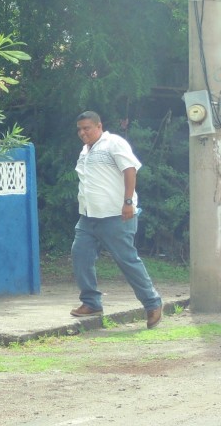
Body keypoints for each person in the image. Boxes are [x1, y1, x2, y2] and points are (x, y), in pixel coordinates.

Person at [70, 111, 163, 329]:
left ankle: (152, 303)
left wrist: (128, 202)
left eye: (87, 128)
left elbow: (130, 169)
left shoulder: (114, 143)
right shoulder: (85, 151)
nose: (82, 133)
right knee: (80, 254)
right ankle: (91, 302)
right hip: (88, 217)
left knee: (127, 260)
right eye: (79, 129)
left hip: (117, 215)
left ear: (99, 126)